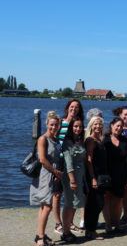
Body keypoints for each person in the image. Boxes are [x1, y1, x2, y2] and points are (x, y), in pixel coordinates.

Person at [30, 111, 62, 246]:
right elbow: (42, 159)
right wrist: (56, 171)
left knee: (44, 206)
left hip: (53, 174)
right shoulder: (43, 139)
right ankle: (41, 237)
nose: (53, 127)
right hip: (45, 175)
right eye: (51, 125)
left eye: (56, 125)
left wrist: (57, 173)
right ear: (47, 124)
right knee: (47, 206)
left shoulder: (55, 139)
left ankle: (40, 234)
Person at [54, 99, 84, 235]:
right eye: (72, 106)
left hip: (72, 161)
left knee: (73, 196)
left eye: (77, 107)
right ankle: (58, 223)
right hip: (59, 161)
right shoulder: (61, 122)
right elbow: (54, 140)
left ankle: (69, 223)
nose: (74, 109)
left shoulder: (78, 123)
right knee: (57, 193)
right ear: (67, 108)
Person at [102, 118, 127, 234]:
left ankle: (117, 224)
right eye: (117, 126)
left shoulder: (125, 141)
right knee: (107, 199)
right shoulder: (105, 139)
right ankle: (108, 225)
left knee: (118, 199)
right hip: (107, 174)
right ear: (111, 125)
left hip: (121, 174)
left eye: (121, 126)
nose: (119, 128)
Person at [60, 118, 86, 242]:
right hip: (71, 177)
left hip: (79, 177)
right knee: (69, 204)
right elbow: (68, 163)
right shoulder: (67, 143)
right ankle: (65, 232)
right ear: (71, 128)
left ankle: (68, 230)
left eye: (80, 127)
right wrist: (72, 180)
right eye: (75, 126)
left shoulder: (79, 141)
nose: (78, 129)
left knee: (75, 204)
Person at [84, 116, 106, 240]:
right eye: (95, 124)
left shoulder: (99, 140)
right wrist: (92, 178)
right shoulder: (90, 140)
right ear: (91, 126)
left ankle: (91, 229)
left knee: (99, 203)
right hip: (94, 175)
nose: (98, 126)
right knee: (94, 204)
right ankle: (90, 230)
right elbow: (89, 160)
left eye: (100, 124)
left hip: (101, 175)